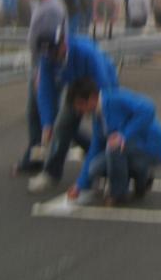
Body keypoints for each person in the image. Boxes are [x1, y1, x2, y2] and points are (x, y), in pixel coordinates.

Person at [27, 33, 121, 193]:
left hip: (101, 87)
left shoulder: (86, 53)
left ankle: (110, 170)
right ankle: (51, 173)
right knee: (62, 126)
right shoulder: (47, 57)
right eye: (48, 54)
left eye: (54, 52)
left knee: (104, 131)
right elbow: (45, 91)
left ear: (63, 44)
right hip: (75, 88)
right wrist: (47, 123)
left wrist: (101, 108)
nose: (52, 57)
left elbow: (104, 81)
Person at [66, 77, 161, 207]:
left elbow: (148, 108)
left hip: (151, 147)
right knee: (95, 167)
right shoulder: (97, 116)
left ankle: (118, 193)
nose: (79, 110)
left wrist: (123, 135)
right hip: (132, 149)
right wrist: (80, 185)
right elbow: (95, 148)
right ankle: (142, 178)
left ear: (92, 97)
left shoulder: (115, 99)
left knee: (113, 146)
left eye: (80, 104)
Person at [14, 0, 67, 177]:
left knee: (46, 116)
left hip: (47, 69)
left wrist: (41, 75)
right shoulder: (43, 4)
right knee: (37, 115)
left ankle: (43, 159)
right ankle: (36, 157)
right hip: (41, 67)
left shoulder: (52, 8)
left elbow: (51, 44)